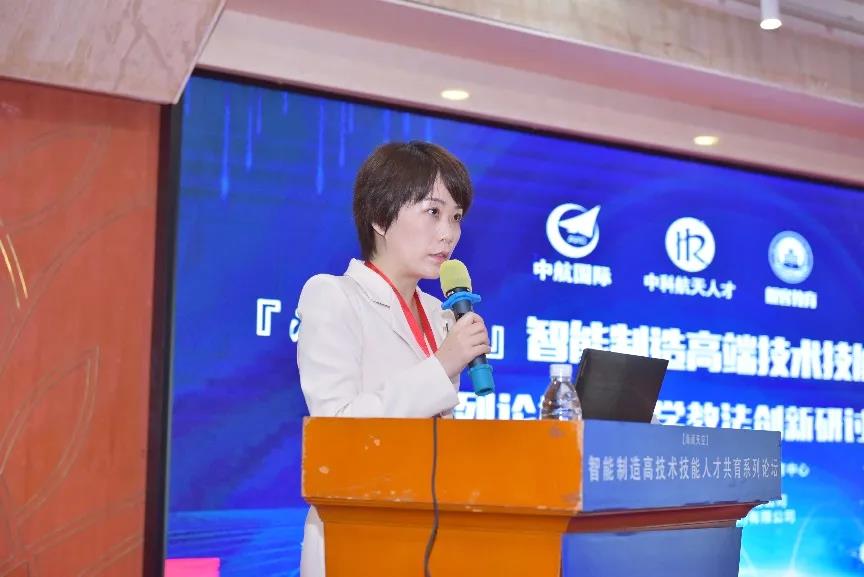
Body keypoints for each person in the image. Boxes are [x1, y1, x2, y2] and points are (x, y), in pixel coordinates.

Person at [295, 141, 491, 577]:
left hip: (429, 534)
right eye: (433, 212)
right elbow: (338, 430)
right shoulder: (333, 296)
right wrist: (442, 366)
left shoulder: (441, 313)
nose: (448, 233)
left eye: (456, 217)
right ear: (380, 217)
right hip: (358, 534)